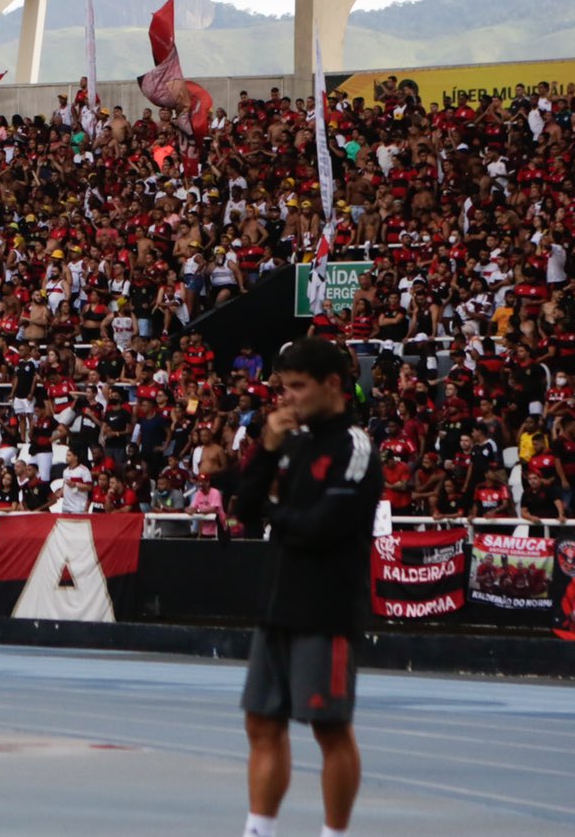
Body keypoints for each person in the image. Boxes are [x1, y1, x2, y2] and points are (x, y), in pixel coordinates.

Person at [230, 337, 380, 837]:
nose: (286, 398)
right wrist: (267, 450)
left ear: (332, 384)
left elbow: (324, 526)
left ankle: (334, 833)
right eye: (282, 387)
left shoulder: (354, 447)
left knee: (329, 727)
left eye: (297, 387)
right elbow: (244, 510)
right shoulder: (291, 440)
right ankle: (259, 829)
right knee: (261, 723)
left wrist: (276, 514)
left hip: (327, 605)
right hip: (278, 600)